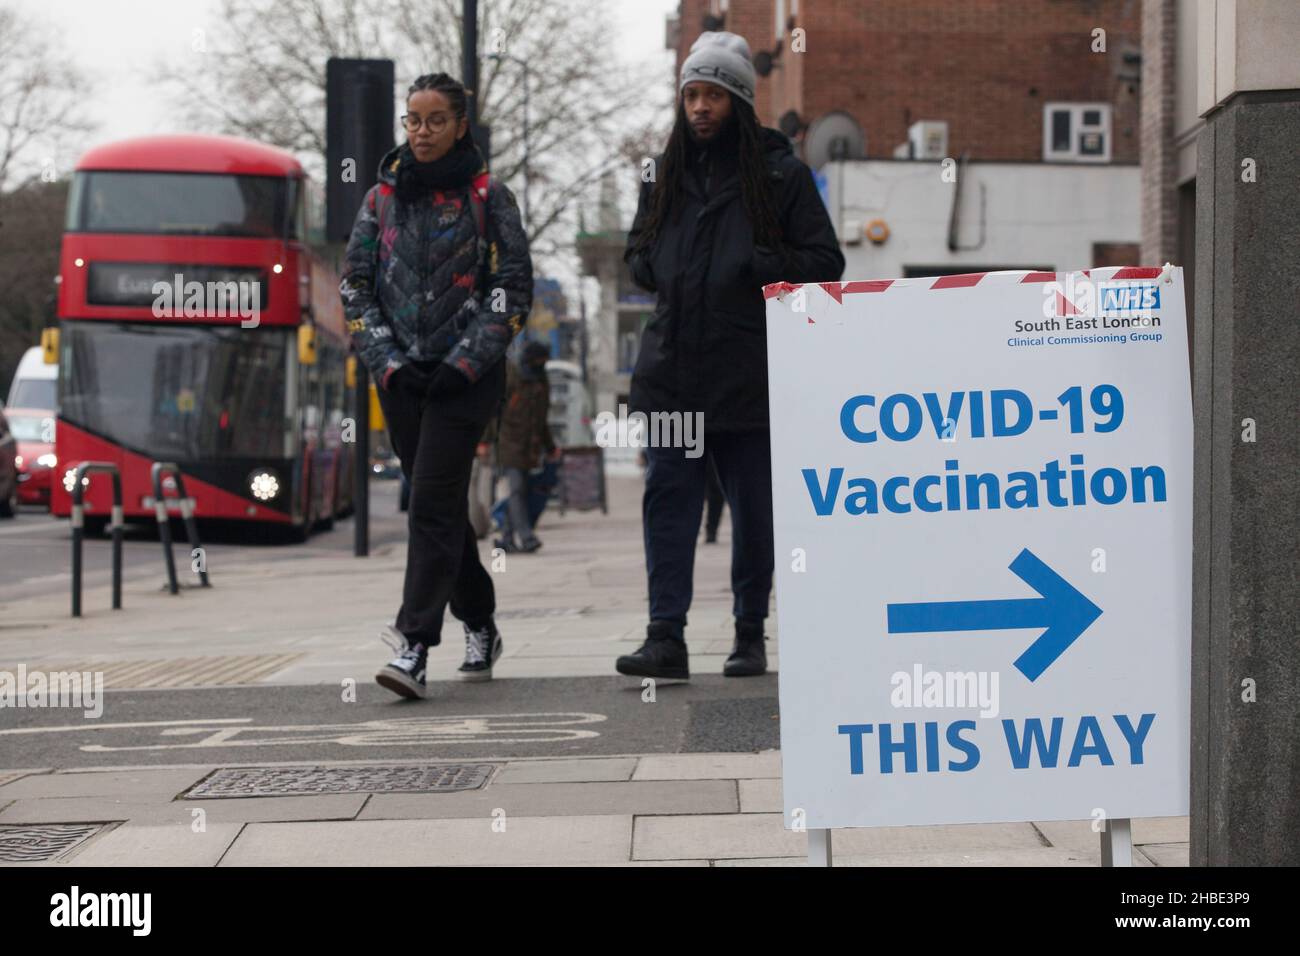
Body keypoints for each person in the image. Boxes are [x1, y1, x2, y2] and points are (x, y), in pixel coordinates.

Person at [615, 31, 845, 681]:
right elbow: (638, 254)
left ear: (738, 101)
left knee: (754, 510)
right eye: (691, 94)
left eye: (713, 95)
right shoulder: (661, 174)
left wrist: (762, 263)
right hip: (671, 372)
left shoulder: (781, 175)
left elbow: (825, 262)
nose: (699, 107)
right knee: (668, 503)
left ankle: (749, 633)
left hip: (749, 374)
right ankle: (665, 637)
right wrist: (656, 263)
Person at [340, 72, 532, 698]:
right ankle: (480, 621)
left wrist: (466, 361)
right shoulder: (380, 200)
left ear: (460, 126)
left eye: (435, 121)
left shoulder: (489, 196)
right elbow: (355, 287)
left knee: (427, 503)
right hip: (401, 379)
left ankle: (414, 645)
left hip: (464, 381)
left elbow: (512, 290)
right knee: (441, 506)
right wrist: (386, 362)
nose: (422, 132)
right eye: (413, 121)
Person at [491, 340, 558, 553]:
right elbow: (494, 412)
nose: (542, 365)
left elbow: (541, 420)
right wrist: (485, 441)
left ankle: (506, 537)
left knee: (521, 492)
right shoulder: (513, 377)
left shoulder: (541, 382)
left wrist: (550, 447)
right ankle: (527, 536)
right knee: (517, 490)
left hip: (530, 448)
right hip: (509, 444)